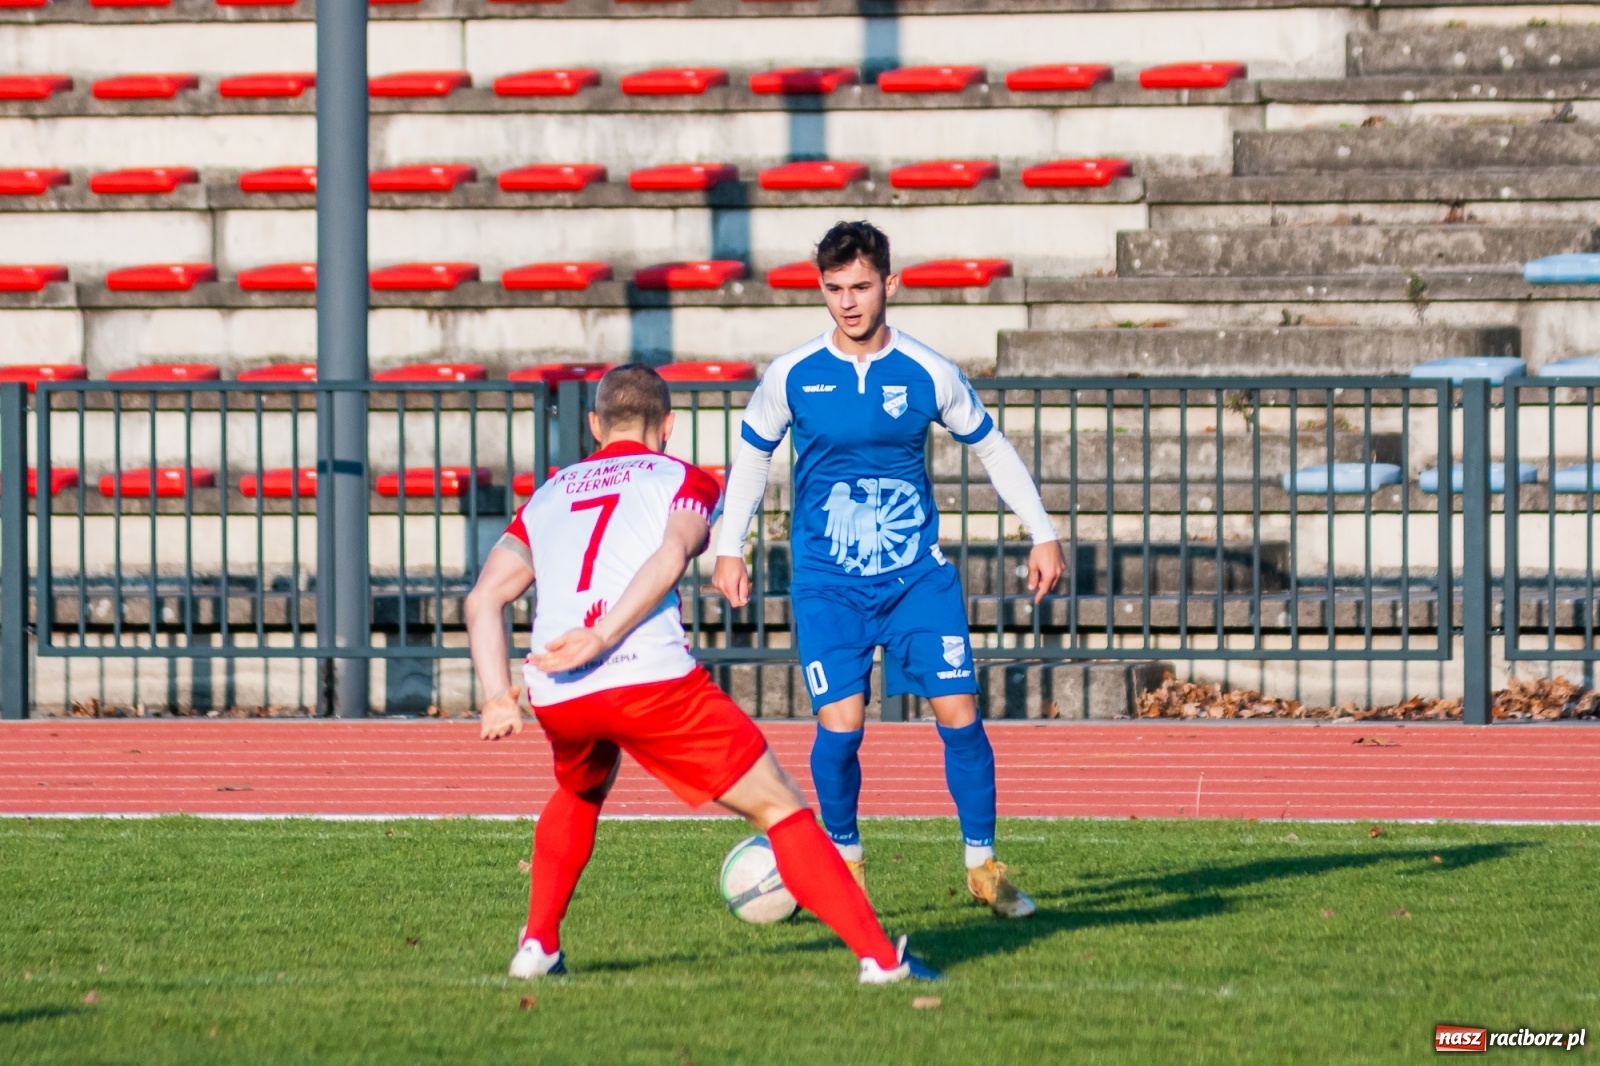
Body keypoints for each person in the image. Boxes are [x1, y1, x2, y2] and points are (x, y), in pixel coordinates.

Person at [464, 363, 937, 984]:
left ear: (593, 425)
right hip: (645, 677)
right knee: (780, 804)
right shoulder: (682, 477)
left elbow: (481, 600)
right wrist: (605, 634)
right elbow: (671, 552)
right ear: (667, 426)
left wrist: (498, 695)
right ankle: (881, 961)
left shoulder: (550, 493)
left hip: (557, 688)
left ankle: (536, 946)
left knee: (581, 789)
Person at [712, 221, 1065, 919]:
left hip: (915, 580)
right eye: (835, 288)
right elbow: (752, 455)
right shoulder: (792, 374)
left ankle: (983, 868)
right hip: (827, 581)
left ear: (889, 286)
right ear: (821, 289)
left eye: (862, 287)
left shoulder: (929, 371)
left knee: (961, 716)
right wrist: (732, 545)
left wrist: (1042, 532)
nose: (848, 302)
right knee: (840, 727)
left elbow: (991, 448)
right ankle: (846, 863)